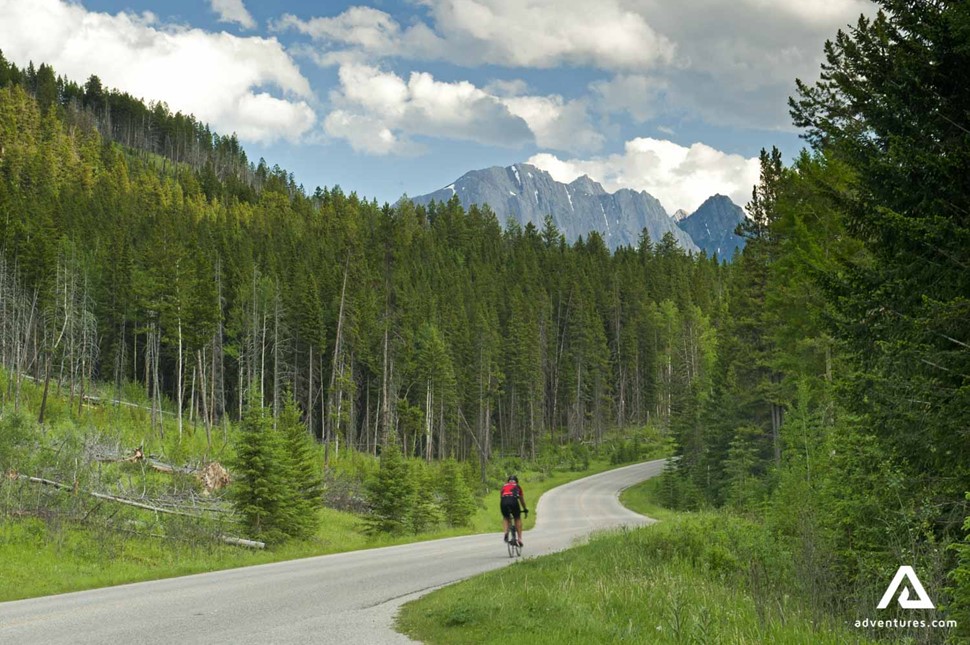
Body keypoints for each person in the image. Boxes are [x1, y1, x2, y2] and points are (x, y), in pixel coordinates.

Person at [500, 475, 528, 547]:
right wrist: (525, 509)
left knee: (506, 517)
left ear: (508, 481)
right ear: (516, 482)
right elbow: (521, 500)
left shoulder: (504, 486)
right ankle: (519, 539)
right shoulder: (517, 486)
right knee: (517, 518)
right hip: (513, 501)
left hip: (503, 502)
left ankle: (506, 532)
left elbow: (502, 496)